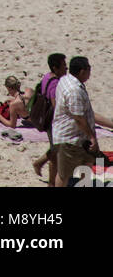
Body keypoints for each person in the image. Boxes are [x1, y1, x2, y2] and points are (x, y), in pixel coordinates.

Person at [51, 56, 113, 187]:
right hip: (70, 138)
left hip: (75, 136)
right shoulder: (74, 91)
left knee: (86, 167)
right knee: (64, 174)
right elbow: (78, 118)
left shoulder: (65, 79)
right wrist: (92, 137)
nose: (90, 73)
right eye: (89, 69)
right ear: (82, 71)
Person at [32, 54, 68, 186]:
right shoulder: (55, 84)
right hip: (54, 123)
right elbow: (56, 105)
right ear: (55, 67)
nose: (66, 67)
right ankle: (51, 183)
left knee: (55, 150)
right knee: (56, 155)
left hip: (48, 120)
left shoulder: (47, 76)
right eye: (64, 65)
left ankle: (39, 163)